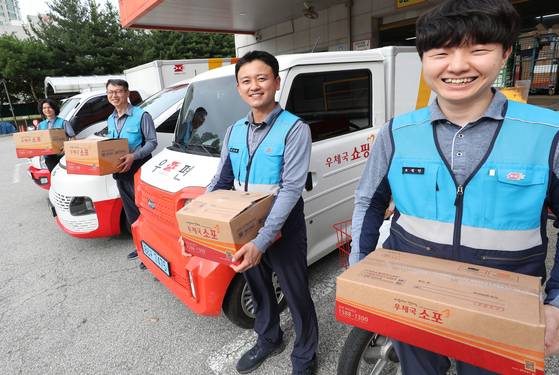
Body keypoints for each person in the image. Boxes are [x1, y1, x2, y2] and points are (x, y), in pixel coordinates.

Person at [350, 0, 559, 374]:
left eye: (478, 50)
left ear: (505, 53)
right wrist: (362, 271)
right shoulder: (397, 131)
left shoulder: (547, 132)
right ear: (424, 59)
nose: (458, 66)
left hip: (501, 306)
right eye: (441, 52)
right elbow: (369, 201)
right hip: (412, 298)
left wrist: (556, 302)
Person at [207, 51, 318, 375]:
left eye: (261, 78)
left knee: (295, 293)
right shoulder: (234, 131)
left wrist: (264, 239)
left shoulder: (295, 129)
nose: (254, 86)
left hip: (284, 227)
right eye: (246, 80)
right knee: (258, 288)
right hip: (243, 227)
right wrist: (200, 221)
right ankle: (269, 338)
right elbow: (222, 180)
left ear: (276, 82)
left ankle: (305, 355)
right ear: (239, 88)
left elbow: (290, 189)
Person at [105, 79, 157, 262]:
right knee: (131, 212)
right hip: (120, 173)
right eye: (110, 92)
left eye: (118, 91)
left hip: (137, 169)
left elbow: (152, 142)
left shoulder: (142, 116)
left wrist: (133, 156)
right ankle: (140, 246)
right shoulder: (110, 119)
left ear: (127, 93)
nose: (114, 95)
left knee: (145, 212)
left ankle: (152, 253)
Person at [37, 98, 75, 172]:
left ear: (54, 108)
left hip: (63, 156)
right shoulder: (40, 125)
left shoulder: (63, 122)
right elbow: (39, 141)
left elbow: (73, 138)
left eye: (49, 107)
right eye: (44, 108)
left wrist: (66, 148)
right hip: (49, 158)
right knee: (53, 176)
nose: (47, 110)